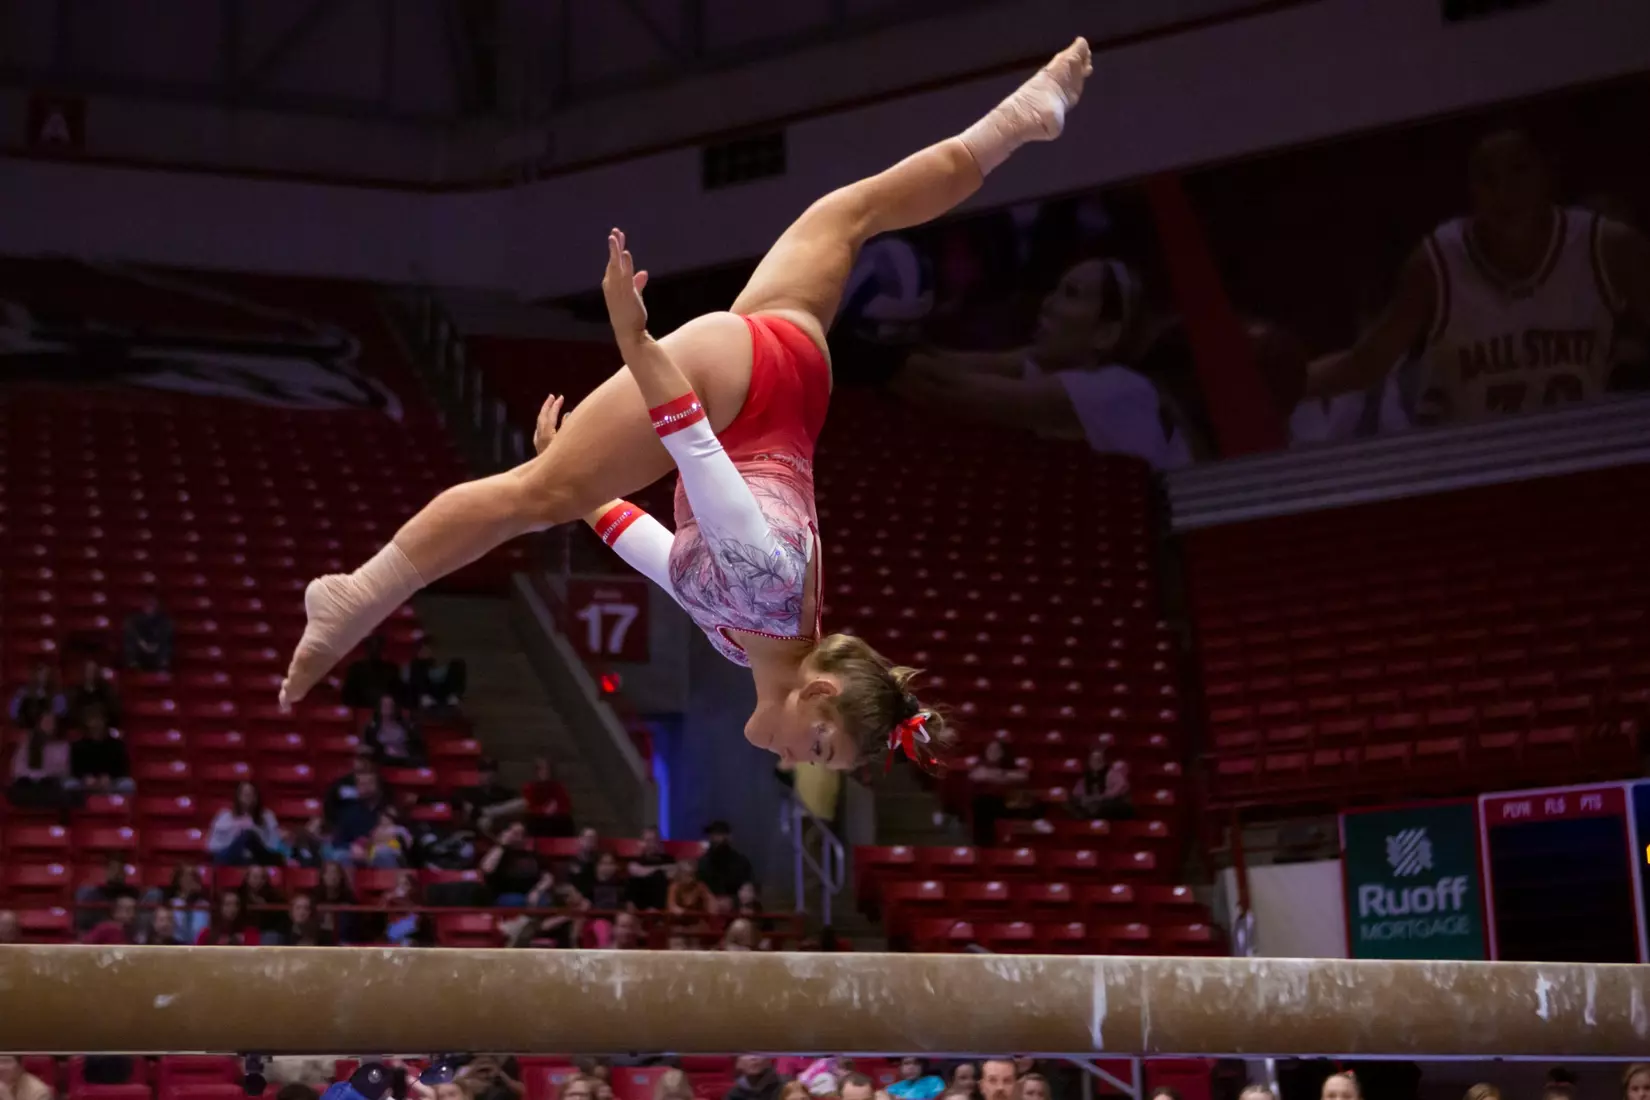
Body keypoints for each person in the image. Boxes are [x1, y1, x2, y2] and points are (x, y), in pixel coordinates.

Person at [279, 39, 1095, 770]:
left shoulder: (747, 640)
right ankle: (357, 595)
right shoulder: (766, 594)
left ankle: (1019, 120)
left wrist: (587, 491)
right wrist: (635, 342)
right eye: (821, 746)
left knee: (850, 215)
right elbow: (695, 449)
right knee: (527, 497)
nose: (803, 761)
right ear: (818, 693)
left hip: (790, 387)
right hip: (731, 390)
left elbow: (658, 554)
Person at [1308, 128, 1650, 422]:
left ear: (1547, 173)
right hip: (1472, 457)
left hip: (1575, 447)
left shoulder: (1607, 246)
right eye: (1488, 178)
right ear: (1470, 188)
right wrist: (1289, 385)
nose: (1504, 191)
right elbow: (1366, 363)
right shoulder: (1437, 263)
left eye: (1519, 170)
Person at [892, 258, 1201, 469]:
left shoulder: (1115, 389)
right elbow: (950, 362)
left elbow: (945, 389)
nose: (1048, 304)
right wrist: (898, 332)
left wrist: (876, 351)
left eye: (1071, 294)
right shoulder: (1060, 366)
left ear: (1105, 334)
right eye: (1055, 290)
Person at [208, 781, 283, 865]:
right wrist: (235, 830)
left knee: (249, 836)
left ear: (256, 797)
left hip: (259, 857)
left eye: (251, 794)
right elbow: (213, 845)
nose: (248, 797)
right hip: (231, 857)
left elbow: (274, 844)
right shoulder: (224, 816)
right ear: (238, 797)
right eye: (245, 794)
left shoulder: (267, 816)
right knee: (244, 837)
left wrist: (254, 830)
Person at [8, 712, 71, 807]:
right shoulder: (27, 744)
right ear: (39, 724)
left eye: (52, 722)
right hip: (29, 786)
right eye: (46, 721)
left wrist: (46, 775)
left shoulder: (63, 746)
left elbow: (64, 770)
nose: (49, 725)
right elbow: (17, 770)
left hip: (51, 787)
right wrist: (38, 776)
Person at [67, 708, 133, 793]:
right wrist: (86, 778)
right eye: (93, 720)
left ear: (105, 721)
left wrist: (110, 777)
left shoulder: (117, 745)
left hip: (111, 783)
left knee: (128, 784)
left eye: (99, 720)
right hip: (86, 783)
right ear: (87, 723)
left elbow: (123, 769)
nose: (96, 724)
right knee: (69, 784)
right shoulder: (78, 745)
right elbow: (75, 770)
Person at [698, 820, 753, 906]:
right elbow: (697, 888)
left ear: (728, 837)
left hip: (735, 908)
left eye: (718, 834)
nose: (714, 838)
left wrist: (732, 900)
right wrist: (710, 899)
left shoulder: (741, 862)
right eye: (712, 834)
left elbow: (749, 889)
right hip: (707, 908)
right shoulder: (703, 863)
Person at [404, 638, 466, 712]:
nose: (424, 652)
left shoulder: (451, 663)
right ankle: (426, 699)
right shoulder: (417, 665)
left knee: (458, 664)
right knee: (416, 666)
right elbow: (412, 682)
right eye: (422, 650)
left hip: (446, 690)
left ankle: (453, 698)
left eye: (426, 650)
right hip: (428, 693)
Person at [362, 693, 424, 767]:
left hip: (405, 760)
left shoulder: (406, 726)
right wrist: (384, 750)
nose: (387, 707)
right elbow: (369, 748)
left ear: (395, 707)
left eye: (390, 705)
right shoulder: (372, 728)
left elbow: (416, 746)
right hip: (382, 761)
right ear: (379, 707)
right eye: (385, 704)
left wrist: (403, 751)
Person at [521, 756, 574, 836]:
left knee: (566, 821)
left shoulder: (558, 787)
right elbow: (529, 806)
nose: (545, 772)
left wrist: (555, 809)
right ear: (536, 771)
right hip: (537, 819)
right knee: (532, 821)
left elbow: (566, 805)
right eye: (541, 769)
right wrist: (543, 810)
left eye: (547, 769)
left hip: (555, 818)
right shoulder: (529, 787)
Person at [626, 827, 675, 910]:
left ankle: (655, 909)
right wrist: (660, 868)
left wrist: (647, 870)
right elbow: (634, 870)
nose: (651, 844)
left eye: (654, 840)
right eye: (648, 841)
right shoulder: (637, 859)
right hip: (641, 897)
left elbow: (673, 872)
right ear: (642, 842)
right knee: (633, 880)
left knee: (659, 876)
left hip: (659, 900)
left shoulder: (667, 859)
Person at [123, 593, 174, 671]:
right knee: (130, 643)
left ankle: (163, 665)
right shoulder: (135, 620)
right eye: (148, 605)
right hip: (140, 648)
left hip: (158, 648)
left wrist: (156, 644)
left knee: (166, 646)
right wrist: (142, 644)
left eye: (152, 605)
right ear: (144, 607)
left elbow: (165, 635)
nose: (150, 608)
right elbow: (133, 632)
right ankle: (133, 665)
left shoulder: (164, 620)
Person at [66, 659, 121, 728]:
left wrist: (101, 719)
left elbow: (114, 710)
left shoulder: (105, 690)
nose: (91, 674)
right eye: (89, 671)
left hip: (103, 725)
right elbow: (72, 713)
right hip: (83, 725)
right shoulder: (76, 691)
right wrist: (86, 720)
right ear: (84, 673)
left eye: (94, 671)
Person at [9, 664, 66, 730]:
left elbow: (61, 714)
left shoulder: (57, 694)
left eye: (46, 673)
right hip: (29, 726)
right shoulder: (24, 691)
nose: (43, 677)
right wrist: (19, 698)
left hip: (49, 727)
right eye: (40, 673)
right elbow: (13, 714)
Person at [1068, 747, 1113, 819]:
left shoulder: (1112, 776)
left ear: (1104, 762)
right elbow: (1077, 794)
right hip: (1086, 809)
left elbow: (1114, 794)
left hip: (1106, 809)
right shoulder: (1083, 779)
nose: (1096, 762)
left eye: (1099, 760)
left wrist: (1098, 798)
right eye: (1093, 760)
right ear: (1089, 762)